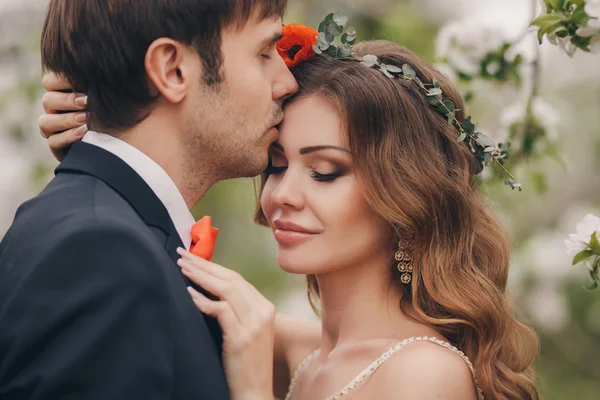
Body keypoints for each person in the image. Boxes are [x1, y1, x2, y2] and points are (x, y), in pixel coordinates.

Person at [38, 18, 541, 400]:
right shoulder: (287, 346)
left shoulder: (424, 375)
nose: (280, 196)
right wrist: (106, 138)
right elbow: (144, 288)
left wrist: (255, 391)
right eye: (277, 167)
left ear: (406, 198)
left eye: (325, 172)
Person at [0, 0, 297, 399]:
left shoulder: (108, 235)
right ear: (172, 69)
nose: (287, 82)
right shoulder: (103, 254)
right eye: (263, 53)